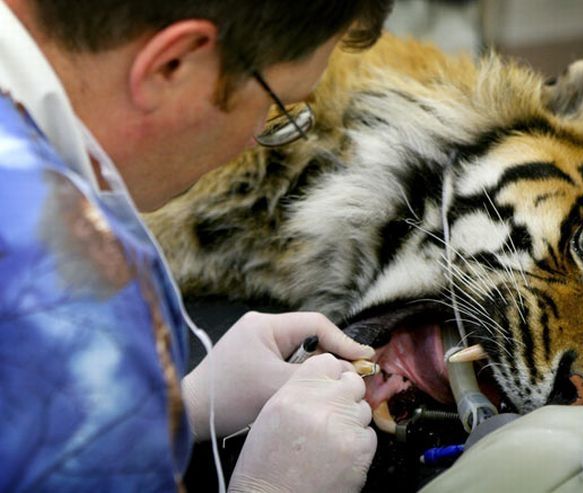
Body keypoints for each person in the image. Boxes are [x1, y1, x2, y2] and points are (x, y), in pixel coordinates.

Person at [0, 1, 393, 491]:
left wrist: (175, 405)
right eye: (274, 104)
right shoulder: (70, 295)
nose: (255, 139)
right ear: (173, 65)